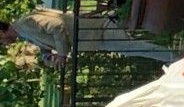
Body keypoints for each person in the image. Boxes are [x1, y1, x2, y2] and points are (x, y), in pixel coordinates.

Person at [0, 9, 172, 63]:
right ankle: (175, 51)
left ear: (2, 32)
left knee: (134, 47)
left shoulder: (25, 24)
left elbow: (56, 25)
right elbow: (48, 37)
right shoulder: (23, 32)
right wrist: (46, 53)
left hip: (99, 30)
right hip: (96, 38)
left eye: (1, 42)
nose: (5, 45)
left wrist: (61, 54)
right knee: (133, 48)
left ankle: (177, 57)